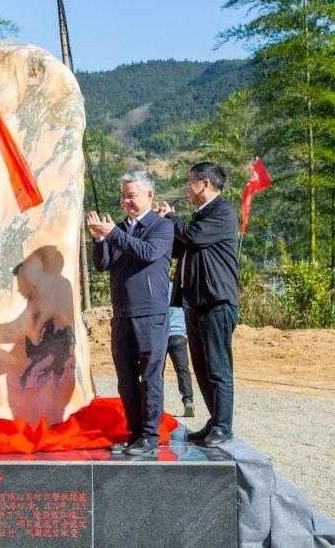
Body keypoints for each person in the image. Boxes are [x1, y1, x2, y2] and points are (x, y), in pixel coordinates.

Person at [87, 170, 174, 457]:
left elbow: (147, 252)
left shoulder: (161, 227)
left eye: (132, 195)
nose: (126, 201)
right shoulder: (121, 228)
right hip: (122, 313)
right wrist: (100, 240)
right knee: (125, 377)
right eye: (123, 195)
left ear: (149, 195)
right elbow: (103, 264)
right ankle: (135, 432)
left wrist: (114, 234)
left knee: (150, 375)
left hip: (150, 314)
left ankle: (150, 435)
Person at [157, 162, 239, 447]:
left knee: (218, 367)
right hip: (195, 301)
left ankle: (224, 426)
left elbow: (192, 236)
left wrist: (171, 217)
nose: (187, 188)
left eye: (190, 182)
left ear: (204, 183)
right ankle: (214, 421)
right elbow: (181, 244)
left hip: (216, 301)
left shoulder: (222, 213)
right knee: (202, 369)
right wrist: (165, 224)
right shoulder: (200, 215)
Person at [166, 282, 195, 417]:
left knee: (156, 371)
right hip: (179, 336)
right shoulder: (178, 290)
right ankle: (188, 400)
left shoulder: (156, 289)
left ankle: (156, 404)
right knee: (183, 369)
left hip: (161, 336)